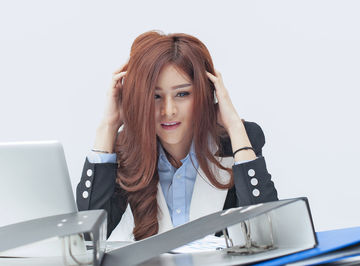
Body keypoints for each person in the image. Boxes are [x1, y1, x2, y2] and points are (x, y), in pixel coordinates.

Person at [76, 30, 278, 242]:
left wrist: (235, 127)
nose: (168, 110)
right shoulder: (127, 149)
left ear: (206, 93)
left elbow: (267, 232)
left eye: (182, 94)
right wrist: (108, 126)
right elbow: (88, 238)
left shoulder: (234, 142)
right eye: (155, 96)